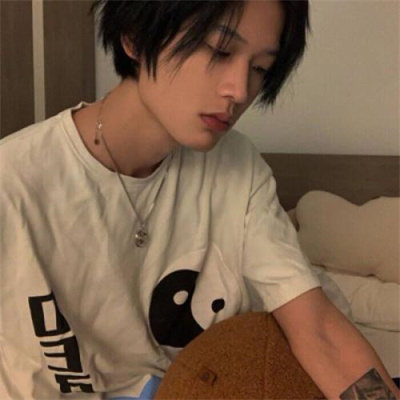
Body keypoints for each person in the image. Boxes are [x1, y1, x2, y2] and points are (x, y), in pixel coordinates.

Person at [0, 1, 398, 399]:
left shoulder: (238, 167)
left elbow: (316, 329)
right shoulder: (15, 181)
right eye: (220, 50)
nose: (240, 90)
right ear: (135, 37)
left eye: (260, 68)